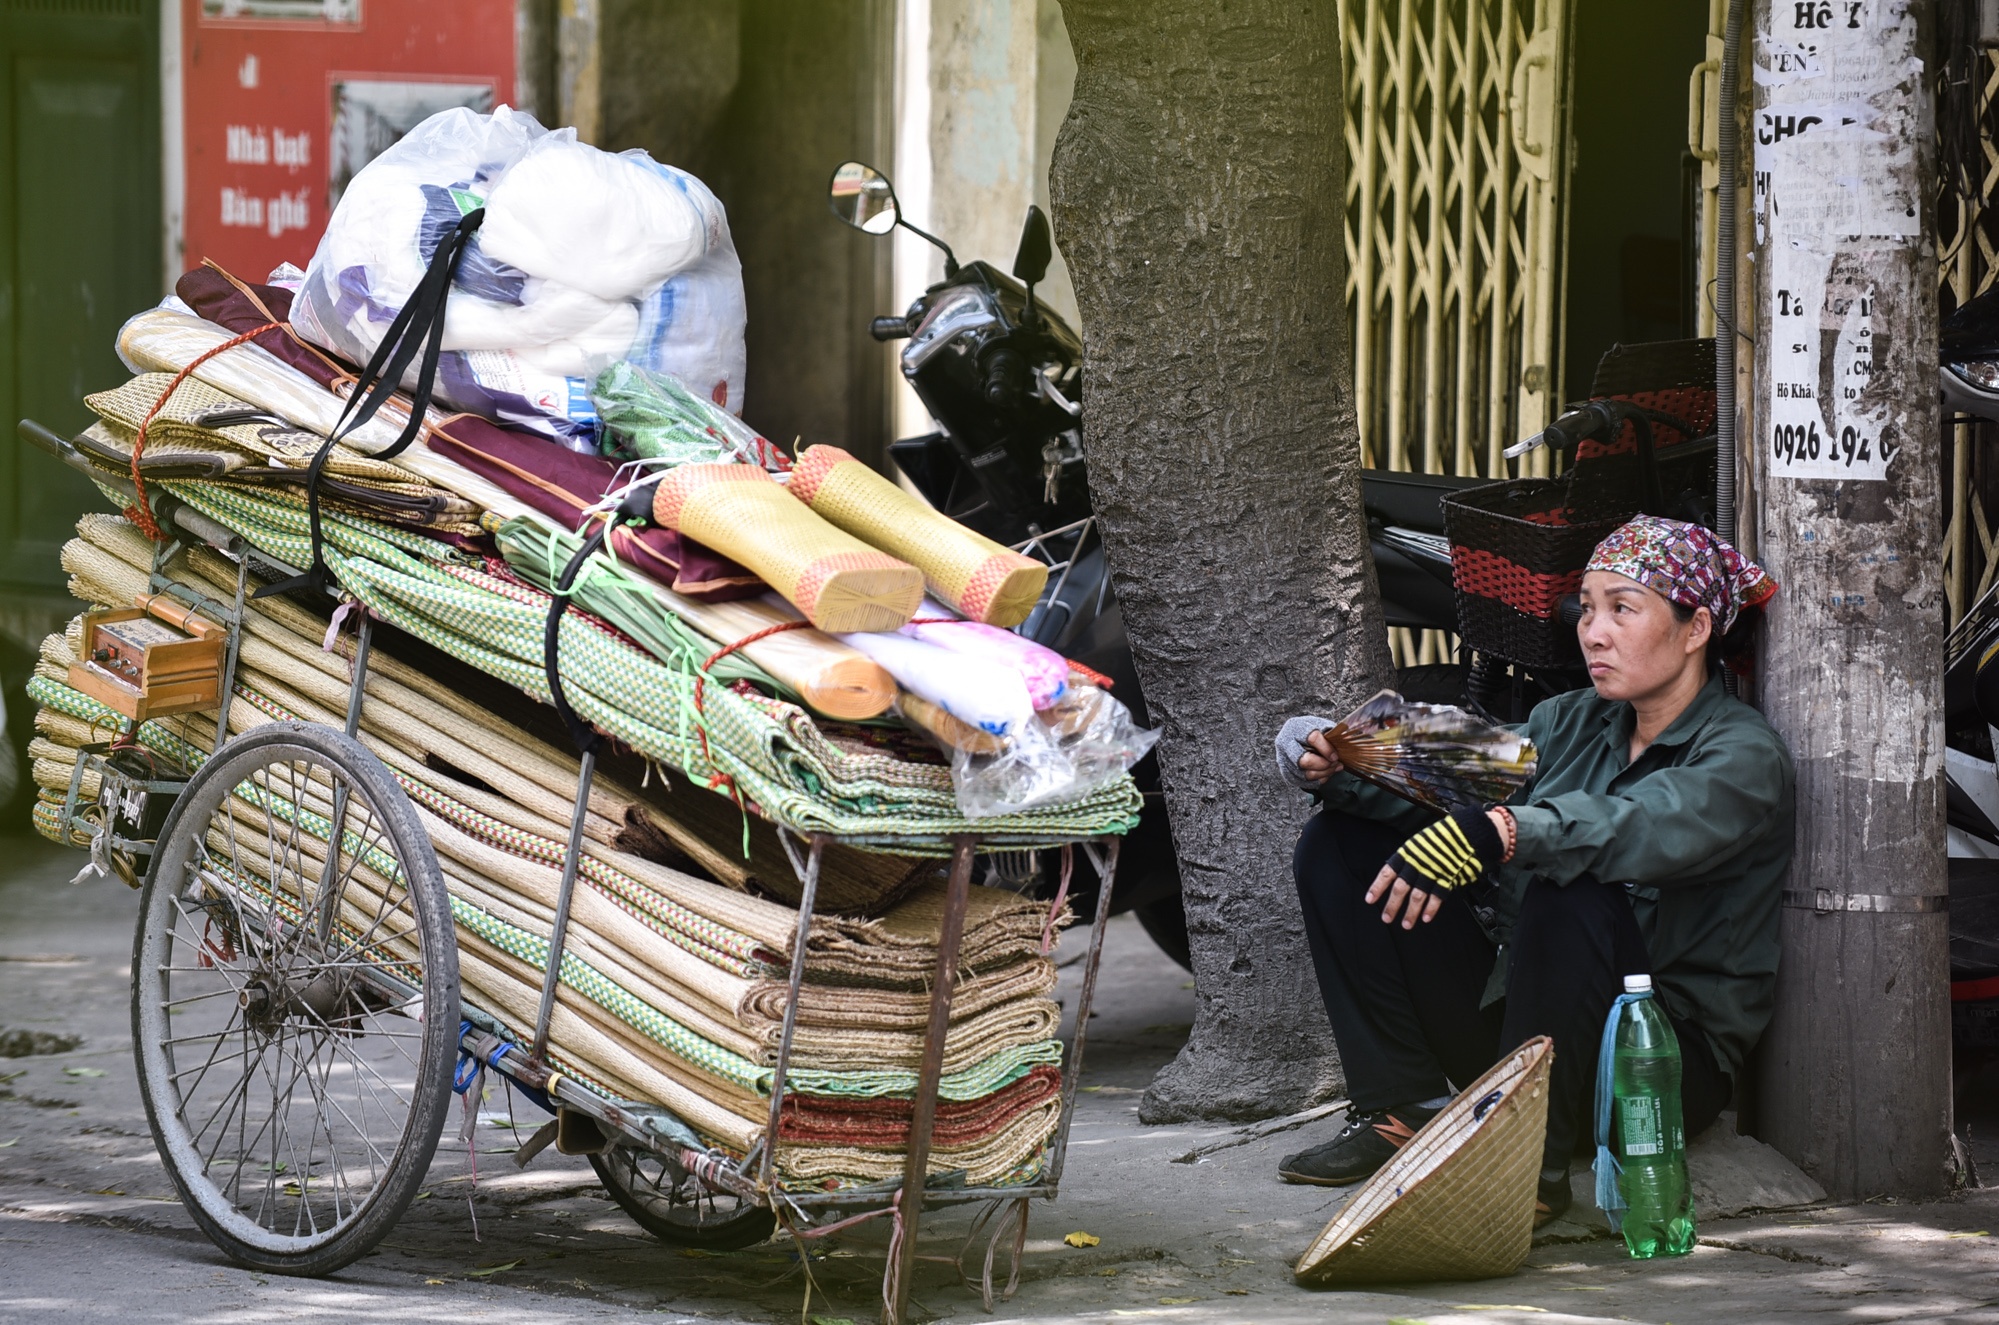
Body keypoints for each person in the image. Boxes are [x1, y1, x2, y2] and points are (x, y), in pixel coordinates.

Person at [1272, 516, 1795, 1224]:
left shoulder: (1741, 755)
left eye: (1621, 608)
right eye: (1586, 606)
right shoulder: (1567, 721)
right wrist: (1333, 754)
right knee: (1338, 841)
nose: (1593, 631)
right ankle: (1409, 1106)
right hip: (1528, 1038)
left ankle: (1531, 1175)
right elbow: (1445, 767)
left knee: (1570, 883)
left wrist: (1505, 830)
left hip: (1650, 1070)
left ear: (1694, 627)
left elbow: (1640, 826)